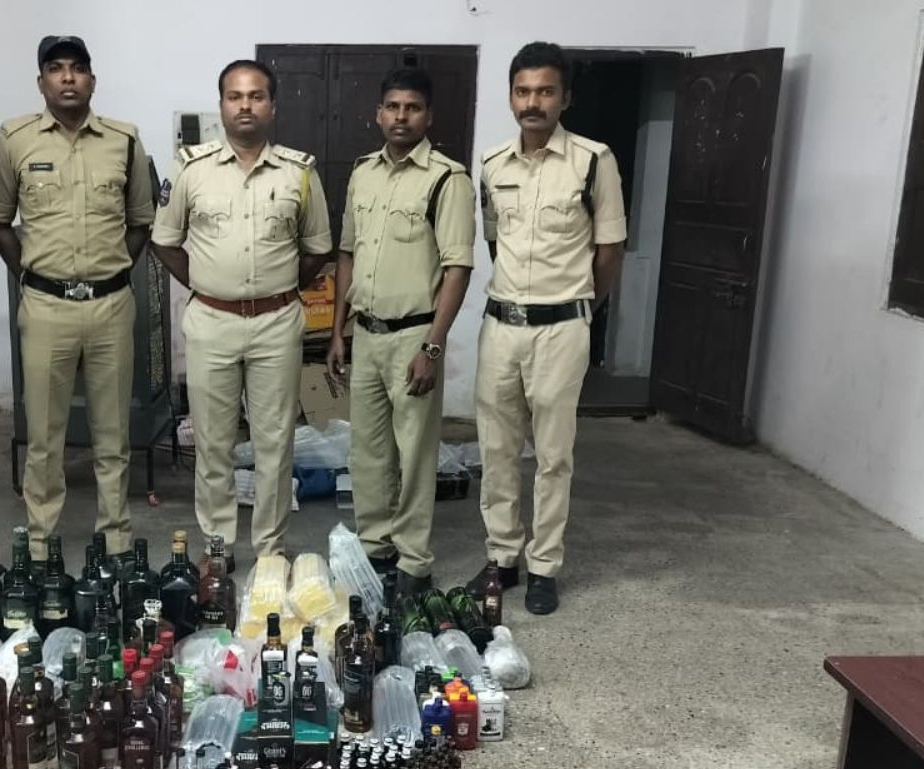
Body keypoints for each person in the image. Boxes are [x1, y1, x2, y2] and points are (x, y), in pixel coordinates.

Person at [151, 60, 332, 571]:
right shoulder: (191, 169)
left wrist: (282, 288)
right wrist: (206, 284)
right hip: (212, 322)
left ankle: (270, 549)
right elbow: (165, 240)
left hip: (277, 322)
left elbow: (318, 248)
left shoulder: (299, 173)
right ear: (222, 106)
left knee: (275, 442)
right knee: (213, 442)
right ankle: (218, 547)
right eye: (235, 96)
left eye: (256, 96)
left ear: (272, 106)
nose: (245, 105)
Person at [467, 42, 626, 615]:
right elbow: (495, 242)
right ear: (511, 96)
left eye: (545, 91)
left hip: (562, 328)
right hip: (501, 326)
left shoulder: (593, 161)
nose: (532, 102)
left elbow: (610, 249)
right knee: (497, 448)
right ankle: (502, 558)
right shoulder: (491, 165)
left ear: (565, 98)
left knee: (554, 455)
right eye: (523, 91)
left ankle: (543, 567)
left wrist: (580, 307)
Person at [0, 35, 154, 561]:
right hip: (46, 307)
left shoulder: (124, 140)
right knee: (44, 436)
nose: (67, 78)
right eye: (56, 69)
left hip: (110, 306)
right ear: (41, 82)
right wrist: (34, 275)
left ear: (92, 81)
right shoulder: (14, 140)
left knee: (113, 434)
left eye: (77, 68)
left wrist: (111, 271)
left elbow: (140, 221)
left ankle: (116, 538)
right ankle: (40, 543)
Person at [327, 67, 474, 601]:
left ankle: (414, 560)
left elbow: (458, 268)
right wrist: (338, 330)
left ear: (428, 116)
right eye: (392, 106)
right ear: (378, 113)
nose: (401, 116)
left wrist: (432, 346)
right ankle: (375, 547)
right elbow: (347, 253)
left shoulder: (447, 180)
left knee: (414, 456)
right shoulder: (363, 174)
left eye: (412, 108)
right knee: (367, 452)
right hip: (365, 334)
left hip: (414, 337)